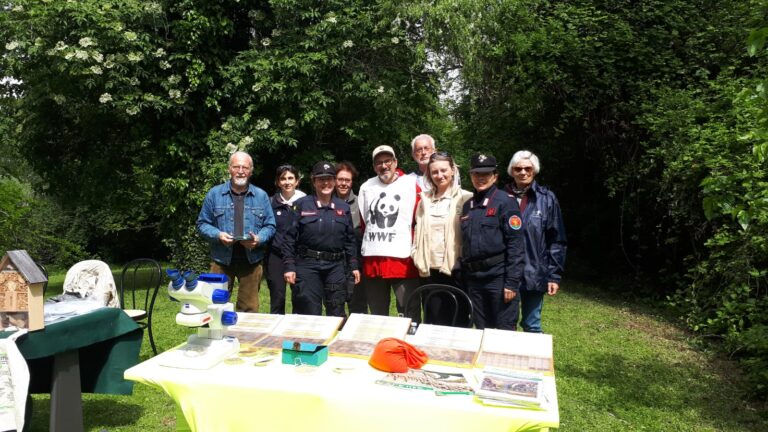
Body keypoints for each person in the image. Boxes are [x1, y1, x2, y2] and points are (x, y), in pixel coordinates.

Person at [197, 151, 276, 312]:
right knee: (214, 306)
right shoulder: (214, 194)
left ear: (251, 171)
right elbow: (202, 223)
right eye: (236, 167)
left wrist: (258, 239)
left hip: (251, 261)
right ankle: (216, 337)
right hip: (221, 259)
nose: (240, 171)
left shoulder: (261, 196)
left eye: (245, 167)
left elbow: (270, 225)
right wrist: (218, 235)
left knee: (249, 308)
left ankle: (244, 337)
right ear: (229, 169)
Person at [283, 161, 360, 317]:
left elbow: (349, 240)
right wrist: (289, 266)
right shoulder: (301, 205)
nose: (326, 183)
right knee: (309, 311)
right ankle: (309, 342)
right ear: (314, 181)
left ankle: (334, 342)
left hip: (335, 266)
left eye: (330, 179)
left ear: (334, 181)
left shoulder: (343, 207)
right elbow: (289, 239)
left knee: (337, 311)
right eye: (321, 179)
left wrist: (353, 265)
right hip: (308, 265)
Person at [459, 153, 524, 330]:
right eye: (476, 174)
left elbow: (516, 245)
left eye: (486, 174)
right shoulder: (468, 205)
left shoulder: (505, 202)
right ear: (471, 176)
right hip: (475, 280)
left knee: (504, 332)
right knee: (481, 331)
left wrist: (511, 282)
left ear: (495, 176)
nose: (481, 178)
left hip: (498, 278)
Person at [505, 150, 567, 333]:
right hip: (506, 274)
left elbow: (557, 239)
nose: (523, 172)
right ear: (512, 171)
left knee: (532, 325)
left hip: (535, 273)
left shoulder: (547, 198)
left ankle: (531, 363)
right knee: (506, 325)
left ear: (535, 171)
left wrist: (554, 275)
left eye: (527, 168)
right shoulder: (501, 197)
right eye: (518, 169)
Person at [358, 145, 421, 319]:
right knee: (377, 314)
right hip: (374, 261)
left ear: (395, 162)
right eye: (379, 162)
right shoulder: (366, 187)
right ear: (374, 166)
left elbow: (419, 219)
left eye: (387, 161)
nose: (384, 166)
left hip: (403, 261)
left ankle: (409, 345)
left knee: (409, 311)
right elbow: (365, 222)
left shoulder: (410, 185)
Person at [411, 151, 473, 326]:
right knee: (432, 321)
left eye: (444, 170)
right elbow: (418, 229)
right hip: (429, 270)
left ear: (453, 170)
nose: (440, 175)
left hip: (455, 270)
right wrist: (416, 254)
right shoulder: (424, 200)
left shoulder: (466, 198)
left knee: (457, 321)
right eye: (435, 172)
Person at [265, 164, 306, 314]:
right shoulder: (270, 203)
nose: (287, 182)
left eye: (290, 178)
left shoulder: (306, 202)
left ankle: (297, 332)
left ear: (297, 181)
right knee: (277, 297)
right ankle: (276, 334)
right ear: (278, 182)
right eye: (283, 179)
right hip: (276, 255)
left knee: (300, 297)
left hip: (299, 257)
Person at [334, 161, 368, 314]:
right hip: (334, 262)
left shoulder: (362, 202)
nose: (343, 183)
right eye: (340, 179)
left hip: (356, 261)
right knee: (335, 305)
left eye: (347, 180)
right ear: (334, 180)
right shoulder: (325, 201)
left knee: (358, 306)